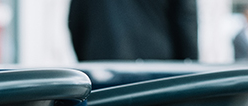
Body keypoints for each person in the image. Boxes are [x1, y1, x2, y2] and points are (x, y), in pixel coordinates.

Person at [68, 0, 198, 63]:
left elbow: (76, 20)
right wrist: (190, 63)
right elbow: (185, 18)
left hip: (103, 66)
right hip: (157, 65)